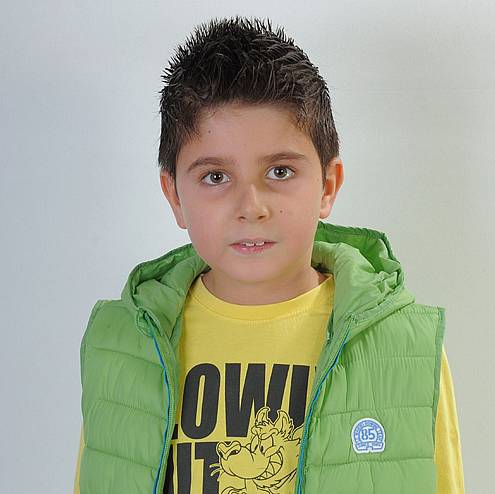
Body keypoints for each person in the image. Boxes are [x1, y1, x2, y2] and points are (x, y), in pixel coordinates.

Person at [74, 15, 464, 494]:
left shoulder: (404, 345)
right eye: (216, 177)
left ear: (328, 185)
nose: (251, 207)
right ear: (174, 195)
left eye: (279, 172)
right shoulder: (123, 343)